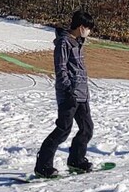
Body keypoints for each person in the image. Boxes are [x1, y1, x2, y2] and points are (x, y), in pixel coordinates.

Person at [34, 11, 95, 178]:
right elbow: (61, 69)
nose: (89, 32)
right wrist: (68, 90)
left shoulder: (78, 43)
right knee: (63, 130)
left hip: (82, 94)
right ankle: (43, 165)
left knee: (87, 129)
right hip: (69, 94)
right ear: (81, 27)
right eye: (88, 28)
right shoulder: (63, 43)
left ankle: (76, 159)